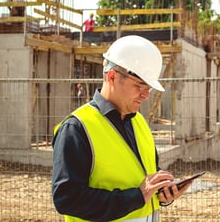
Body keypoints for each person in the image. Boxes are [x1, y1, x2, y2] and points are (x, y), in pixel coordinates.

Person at [52, 35, 192, 222]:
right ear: (112, 77)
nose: (145, 95)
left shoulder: (139, 122)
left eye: (149, 88)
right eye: (140, 85)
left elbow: (140, 178)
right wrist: (136, 197)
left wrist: (162, 191)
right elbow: (67, 199)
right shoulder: (77, 128)